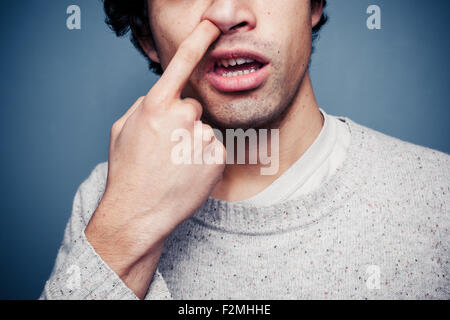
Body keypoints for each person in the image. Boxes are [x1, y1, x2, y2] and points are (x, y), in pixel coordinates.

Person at [41, 0, 449, 299]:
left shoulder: (437, 198)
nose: (227, 12)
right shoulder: (105, 199)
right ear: (148, 37)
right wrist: (125, 226)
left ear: (313, 5)